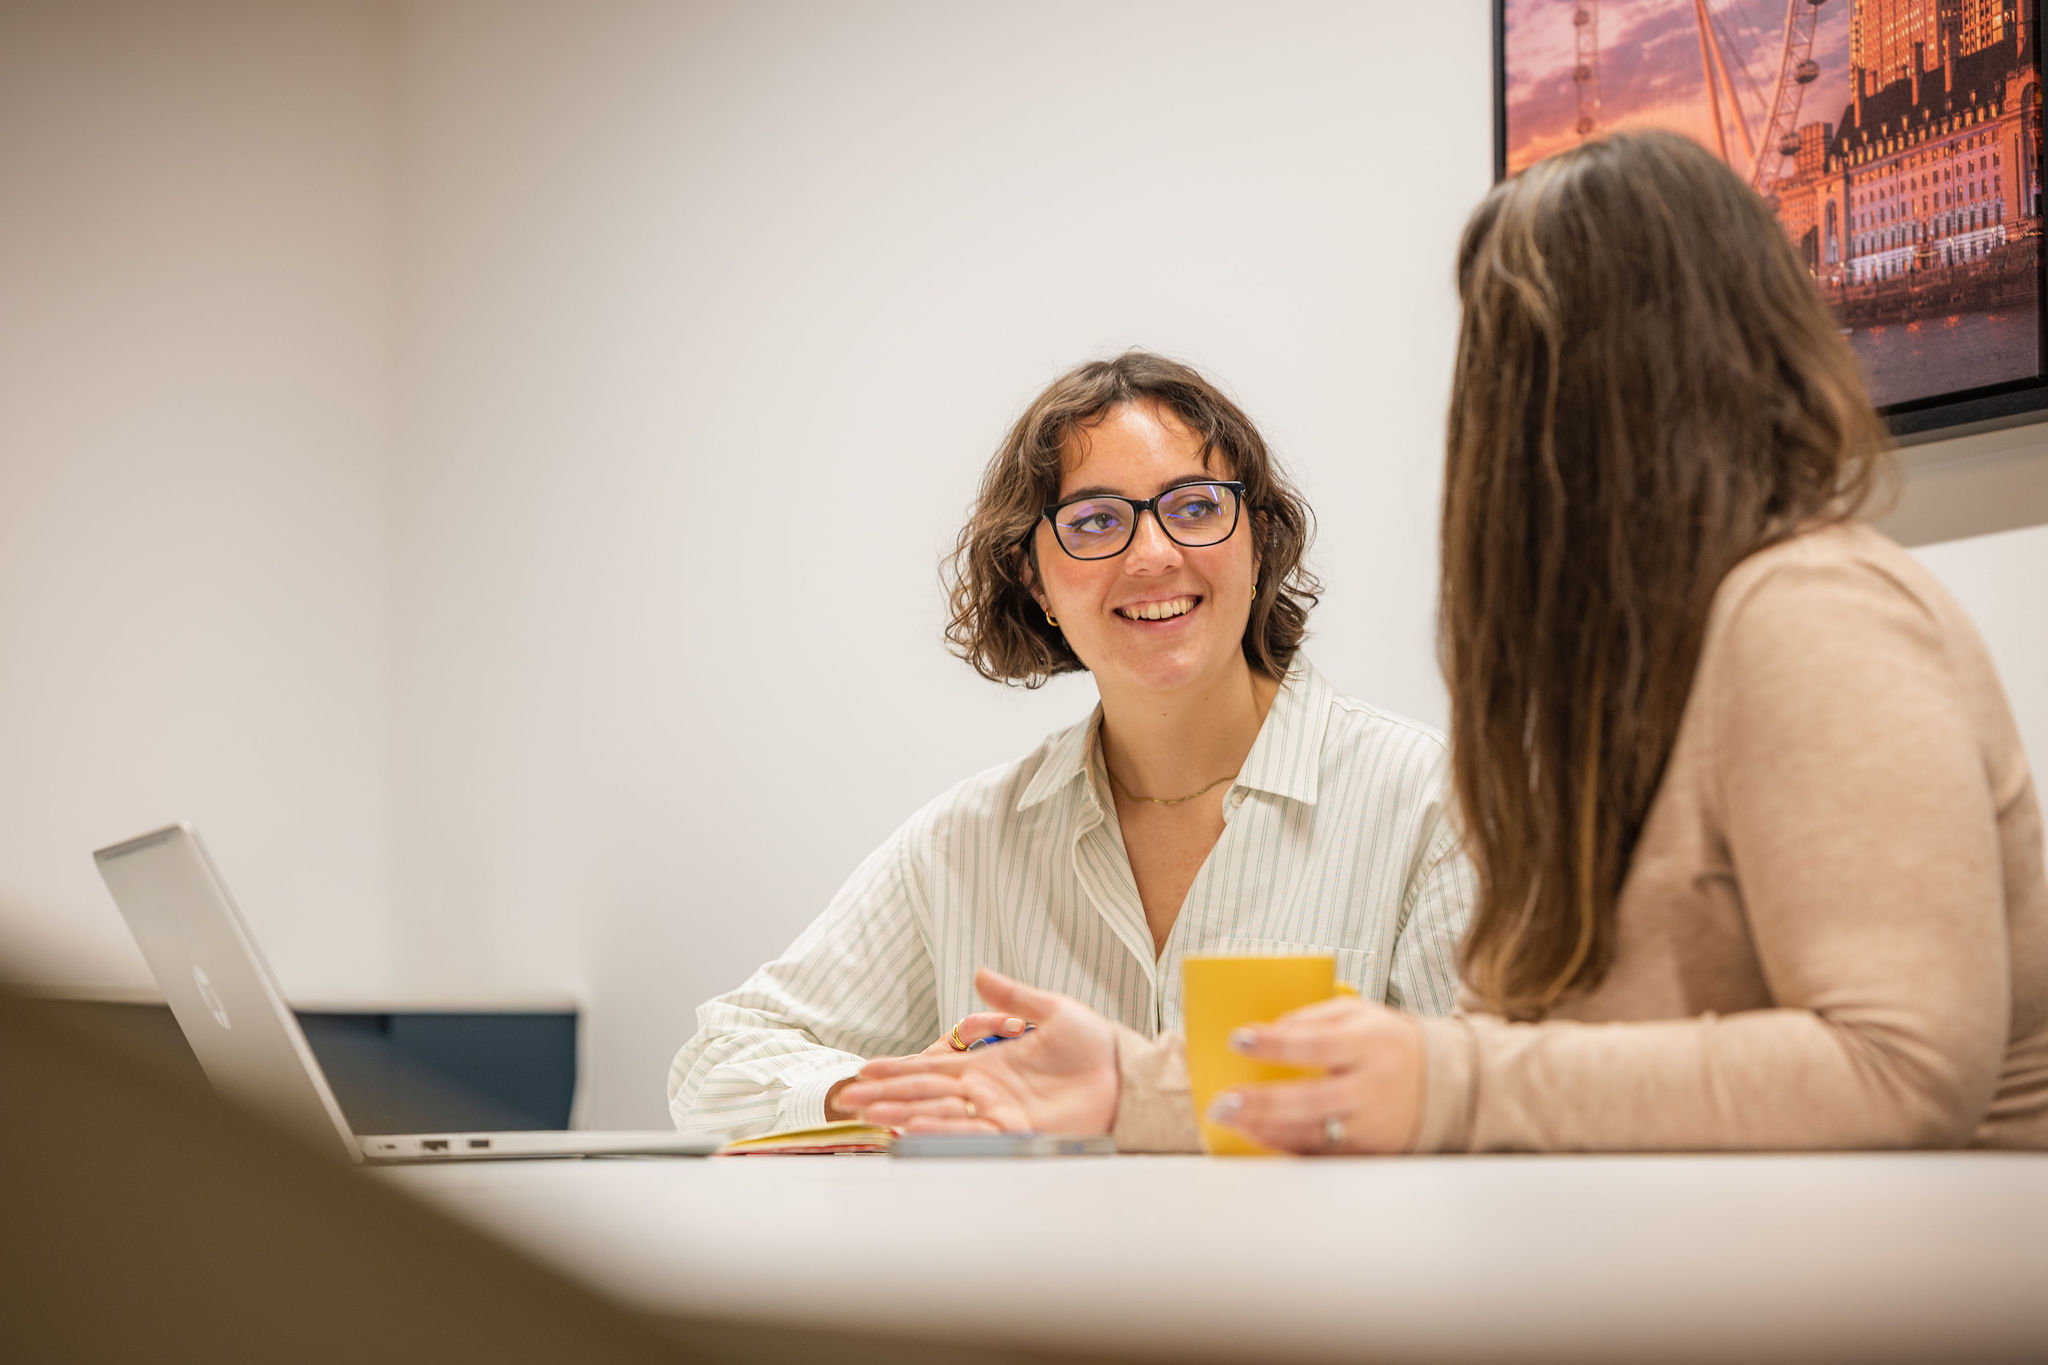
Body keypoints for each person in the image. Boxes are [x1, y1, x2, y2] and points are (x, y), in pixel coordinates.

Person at [840, 131, 2048, 1153]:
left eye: (1504, 351)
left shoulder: (1809, 613)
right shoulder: (1633, 673)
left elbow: (1901, 1070)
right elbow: (1557, 1069)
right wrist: (1132, 1084)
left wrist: (1446, 1083)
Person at [668, 352, 1475, 1138]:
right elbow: (714, 1066)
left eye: (1195, 507)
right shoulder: (964, 846)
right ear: (1034, 580)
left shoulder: (1430, 805)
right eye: (1095, 521)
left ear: (1258, 541)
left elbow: (1493, 1114)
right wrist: (897, 1090)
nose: (1153, 554)